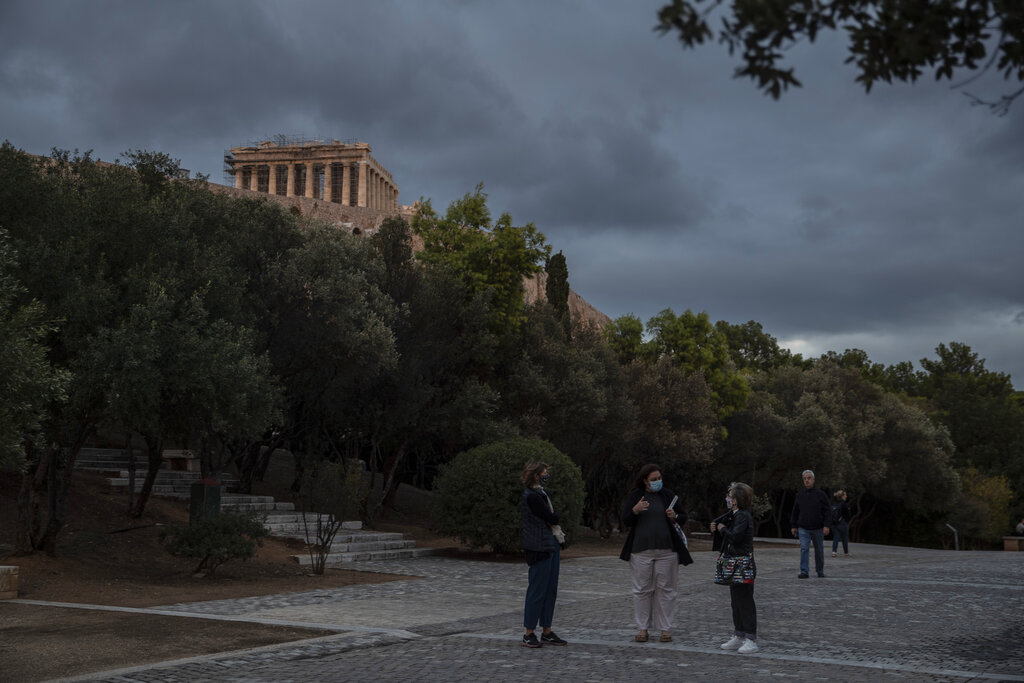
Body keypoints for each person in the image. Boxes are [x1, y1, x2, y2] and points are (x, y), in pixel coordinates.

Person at [619, 463, 693, 643]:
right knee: (642, 590)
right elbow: (626, 520)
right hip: (640, 551)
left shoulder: (668, 495)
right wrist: (635, 510)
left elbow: (683, 517)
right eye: (653, 479)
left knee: (666, 590)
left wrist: (674, 515)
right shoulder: (636, 496)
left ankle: (665, 629)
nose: (657, 481)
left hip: (667, 550)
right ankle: (642, 629)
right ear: (645, 480)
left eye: (659, 478)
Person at [520, 461, 567, 648]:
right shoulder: (531, 496)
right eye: (545, 472)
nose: (547, 475)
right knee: (537, 590)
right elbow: (552, 517)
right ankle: (529, 632)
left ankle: (546, 630)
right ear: (537, 475)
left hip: (550, 544)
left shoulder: (541, 493)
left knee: (550, 590)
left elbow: (553, 516)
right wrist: (554, 515)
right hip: (538, 547)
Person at [712, 482, 758, 653]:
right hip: (735, 564)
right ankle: (739, 634)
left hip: (743, 564)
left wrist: (722, 529)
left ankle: (751, 638)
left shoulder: (743, 516)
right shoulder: (735, 515)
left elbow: (736, 537)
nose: (728, 498)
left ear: (737, 499)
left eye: (730, 495)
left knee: (745, 601)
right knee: (736, 601)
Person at [790, 469, 830, 579]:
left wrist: (826, 525)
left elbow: (827, 510)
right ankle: (804, 571)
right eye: (805, 479)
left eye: (809, 478)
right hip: (803, 528)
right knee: (804, 548)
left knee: (819, 550)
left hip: (818, 528)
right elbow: (795, 511)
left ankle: (820, 570)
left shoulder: (821, 494)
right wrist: (794, 526)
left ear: (813, 479)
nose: (807, 480)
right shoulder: (800, 495)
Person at [830, 490, 852, 557]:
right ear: (842, 496)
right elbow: (848, 515)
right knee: (844, 538)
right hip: (843, 523)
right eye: (845, 495)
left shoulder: (834, 504)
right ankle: (846, 553)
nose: (846, 496)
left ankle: (834, 552)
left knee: (836, 537)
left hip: (834, 523)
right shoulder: (844, 504)